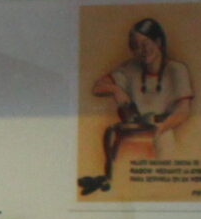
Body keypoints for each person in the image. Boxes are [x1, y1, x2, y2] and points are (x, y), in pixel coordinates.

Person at [78, 17, 194, 197]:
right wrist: (116, 89)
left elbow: (183, 110)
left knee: (161, 191)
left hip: (161, 136)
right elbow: (97, 87)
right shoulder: (131, 69)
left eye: (146, 43)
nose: (143, 50)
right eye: (136, 46)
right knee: (122, 187)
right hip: (132, 137)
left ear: (158, 42)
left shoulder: (176, 70)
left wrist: (160, 129)